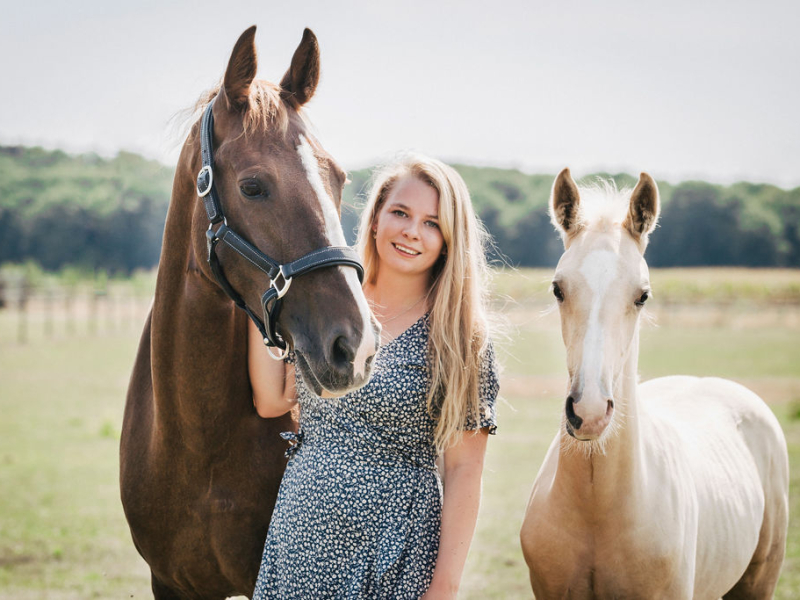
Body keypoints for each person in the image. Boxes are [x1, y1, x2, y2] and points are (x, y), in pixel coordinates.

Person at [249, 154, 499, 600]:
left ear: (449, 240)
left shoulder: (460, 338)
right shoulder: (329, 310)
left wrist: (444, 587)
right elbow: (272, 400)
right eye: (400, 213)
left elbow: (464, 468)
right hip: (303, 535)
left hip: (396, 548)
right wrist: (261, 293)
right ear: (377, 216)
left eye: (432, 223)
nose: (411, 232)